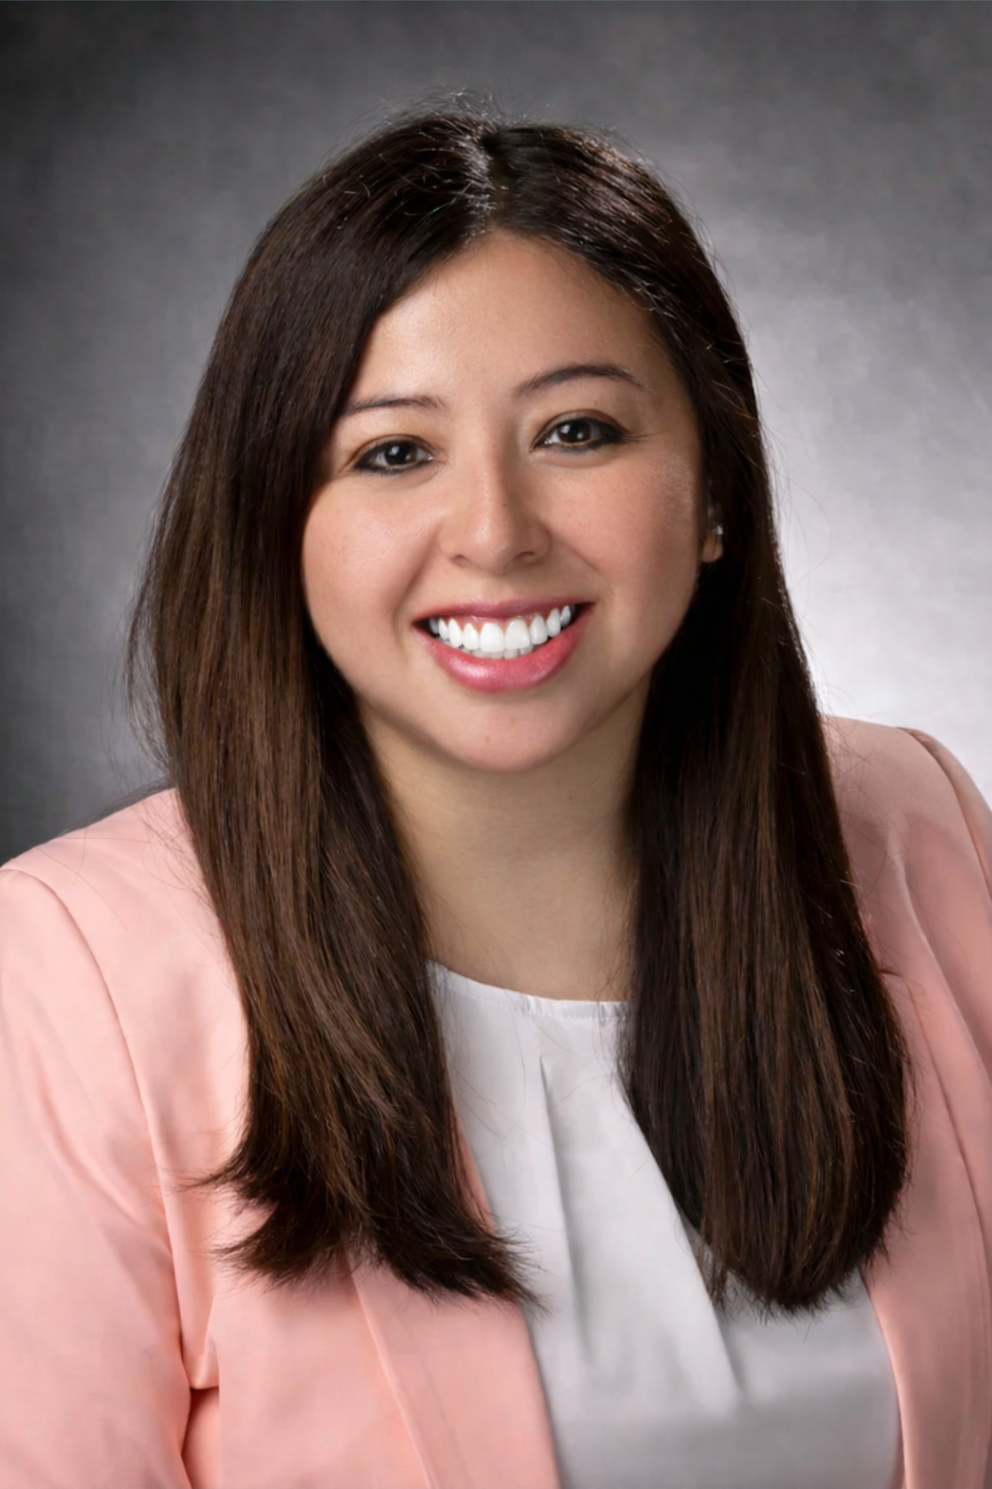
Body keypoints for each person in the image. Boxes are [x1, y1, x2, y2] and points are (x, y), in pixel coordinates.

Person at [1, 101, 990, 1489]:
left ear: (714, 491)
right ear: (278, 523)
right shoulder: (68, 970)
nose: (496, 535)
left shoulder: (914, 829)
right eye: (394, 454)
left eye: (578, 430)